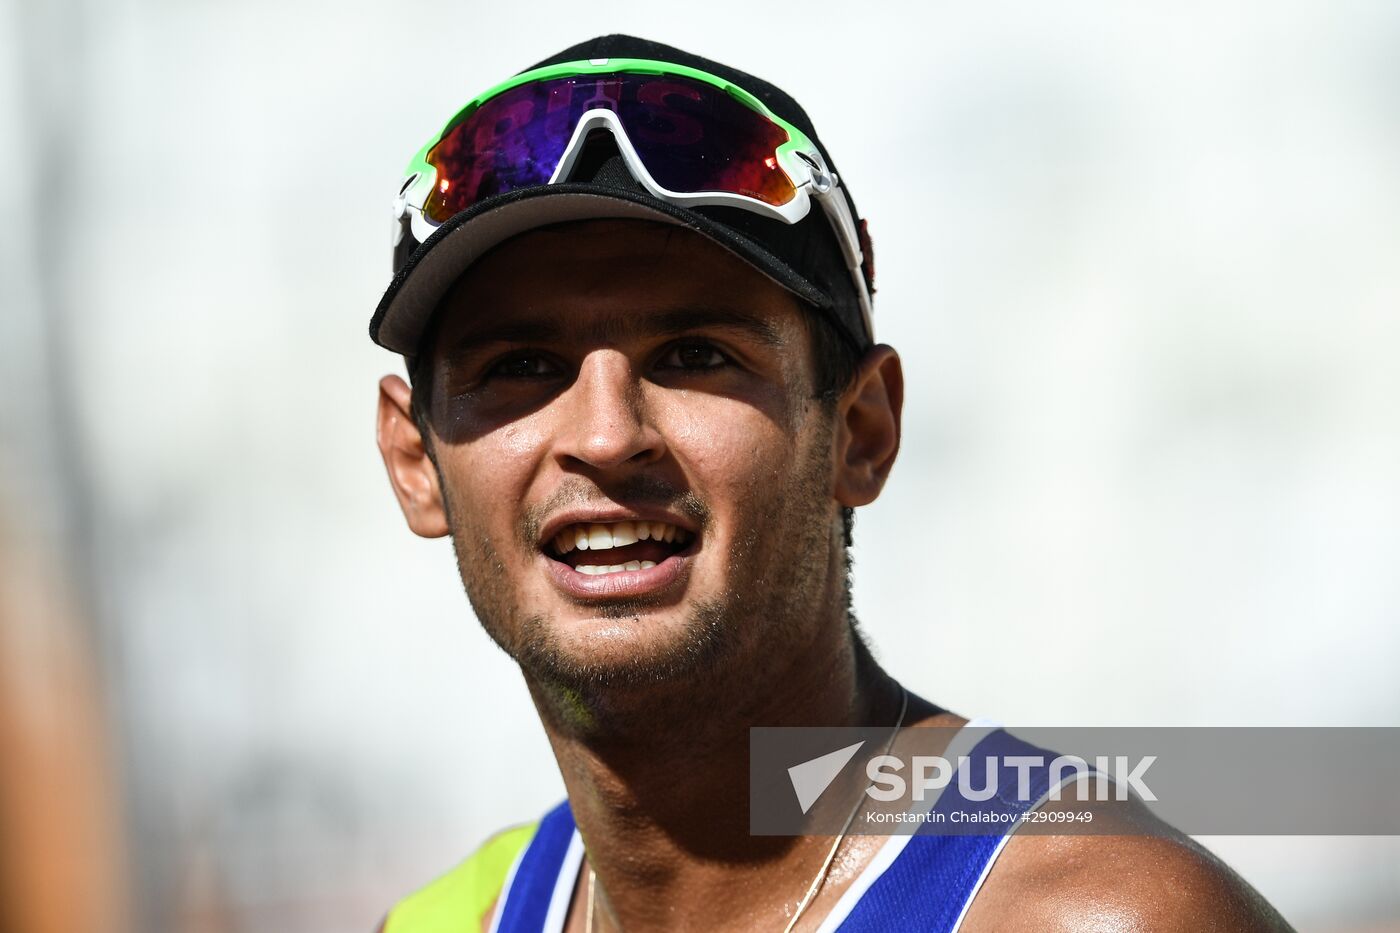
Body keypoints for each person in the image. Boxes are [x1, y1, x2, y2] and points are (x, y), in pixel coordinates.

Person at [371, 34, 1291, 932]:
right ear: (416, 460)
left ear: (861, 432)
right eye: (521, 366)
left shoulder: (1105, 914)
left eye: (695, 355)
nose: (608, 436)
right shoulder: (447, 918)